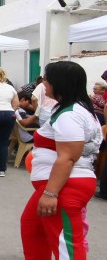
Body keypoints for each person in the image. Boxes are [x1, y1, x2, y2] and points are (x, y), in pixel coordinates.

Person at [20, 61, 102, 260]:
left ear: (59, 82)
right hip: (60, 185)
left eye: (47, 79)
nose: (43, 84)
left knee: (66, 246)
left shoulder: (71, 114)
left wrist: (50, 193)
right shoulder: (72, 110)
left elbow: (67, 157)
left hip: (65, 186)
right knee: (32, 228)